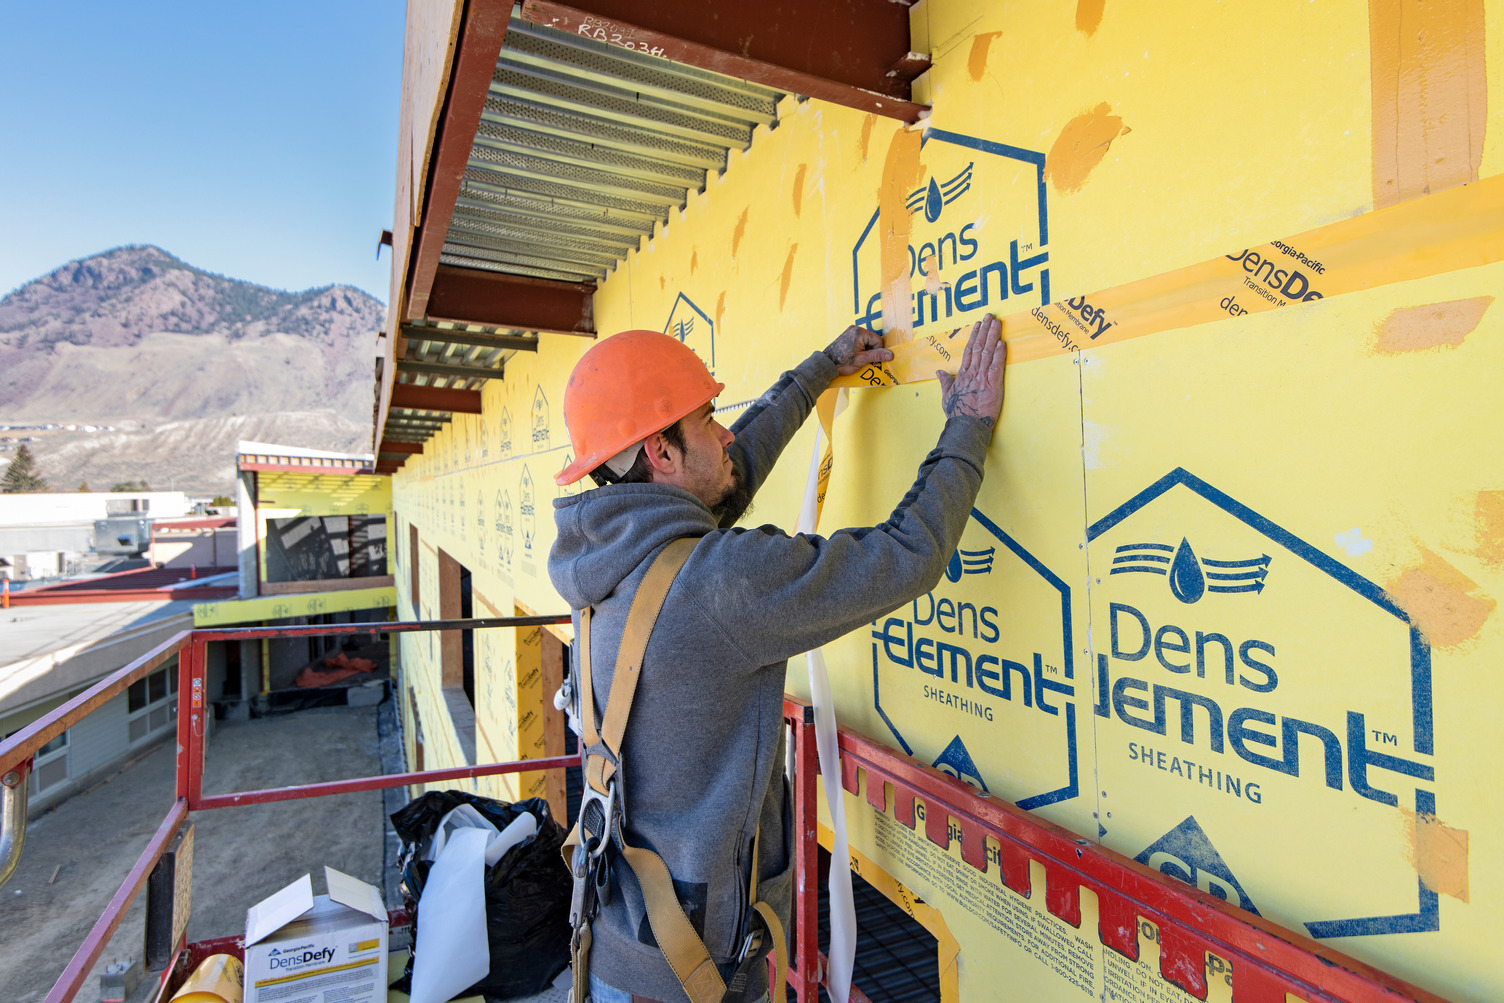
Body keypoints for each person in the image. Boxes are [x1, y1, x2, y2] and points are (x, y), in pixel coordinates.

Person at [549, 316, 1005, 1003]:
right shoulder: (714, 585)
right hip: (695, 975)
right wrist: (967, 426)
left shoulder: (610, 556)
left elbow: (728, 474)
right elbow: (904, 556)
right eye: (707, 420)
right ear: (661, 453)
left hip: (622, 946)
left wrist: (821, 369)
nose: (726, 432)